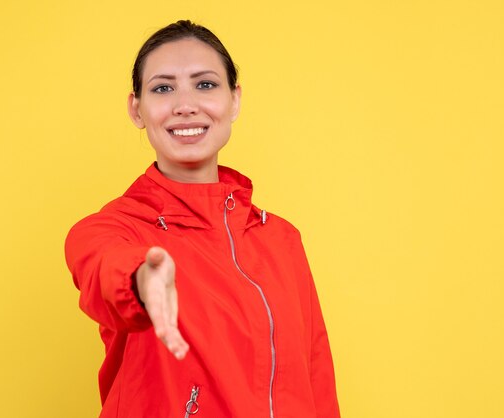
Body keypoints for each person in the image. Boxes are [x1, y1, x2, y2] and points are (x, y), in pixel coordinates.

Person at [65, 20, 340, 417]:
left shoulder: (281, 238)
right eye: (162, 88)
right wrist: (142, 279)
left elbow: (316, 376)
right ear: (136, 109)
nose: (185, 104)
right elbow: (100, 263)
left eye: (205, 84)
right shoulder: (117, 228)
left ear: (235, 100)